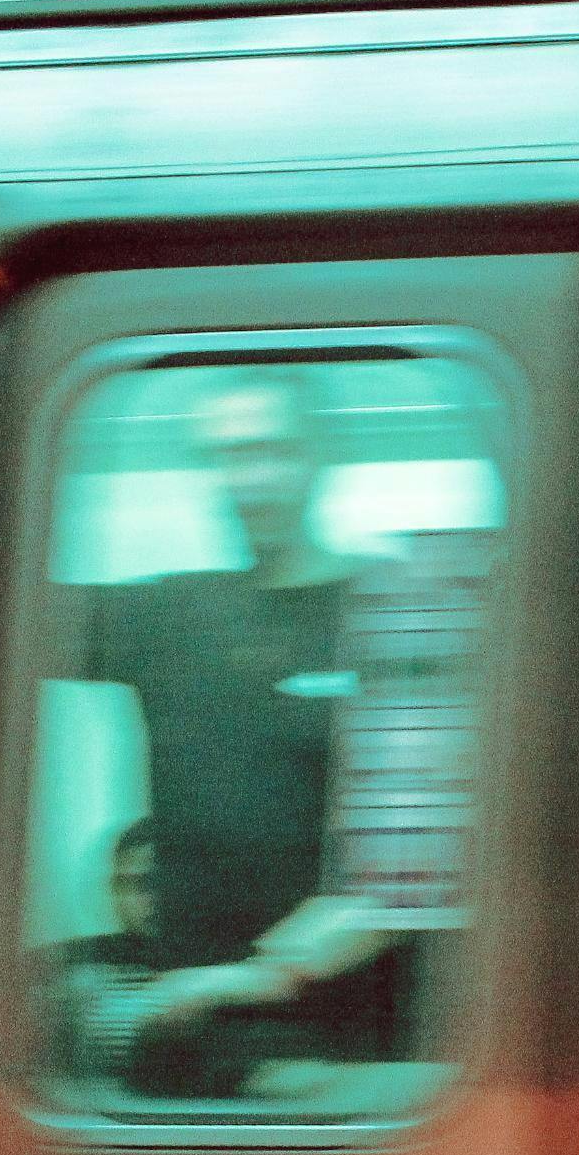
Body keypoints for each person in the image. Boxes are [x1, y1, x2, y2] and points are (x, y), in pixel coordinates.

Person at [72, 373, 406, 1097]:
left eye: (269, 449)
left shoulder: (398, 607)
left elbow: (433, 858)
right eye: (222, 456)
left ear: (324, 455)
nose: (246, 478)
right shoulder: (166, 616)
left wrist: (265, 972)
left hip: (359, 1052)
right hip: (198, 1043)